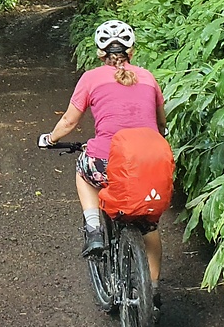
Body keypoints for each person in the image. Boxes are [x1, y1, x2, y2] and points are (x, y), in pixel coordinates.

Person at [39, 19, 166, 282]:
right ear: (132, 51)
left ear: (100, 53)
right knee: (149, 226)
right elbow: (161, 123)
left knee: (83, 172)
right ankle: (152, 293)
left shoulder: (91, 78)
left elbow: (69, 121)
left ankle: (94, 227)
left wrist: (50, 139)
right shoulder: (148, 78)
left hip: (105, 161)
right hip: (149, 163)